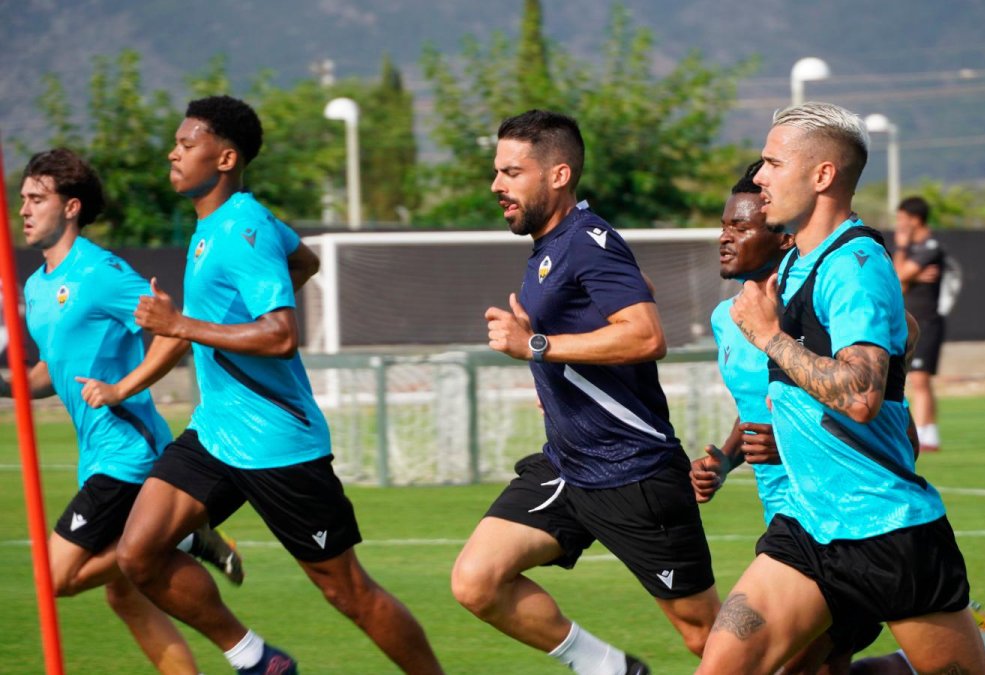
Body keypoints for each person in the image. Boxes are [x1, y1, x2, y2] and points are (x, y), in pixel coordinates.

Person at [103, 96, 442, 674]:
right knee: (138, 554)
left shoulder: (242, 229)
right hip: (215, 433)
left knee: (347, 593)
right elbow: (303, 259)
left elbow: (282, 335)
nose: (173, 151)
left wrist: (181, 324)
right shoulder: (222, 224)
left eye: (187, 145)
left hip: (277, 444)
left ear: (225, 158)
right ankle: (256, 660)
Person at [691, 161, 985, 674]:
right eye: (724, 225)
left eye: (739, 226)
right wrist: (726, 461)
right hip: (797, 522)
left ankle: (957, 643)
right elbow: (760, 404)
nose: (724, 237)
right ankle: (947, 647)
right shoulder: (735, 316)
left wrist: (797, 396)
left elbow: (877, 395)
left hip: (876, 523)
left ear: (782, 239)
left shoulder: (842, 270)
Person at [451, 109, 720, 675]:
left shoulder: (588, 242)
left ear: (558, 175)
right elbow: (626, 295)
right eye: (496, 171)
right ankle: (612, 669)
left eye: (512, 172)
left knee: (711, 641)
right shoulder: (555, 246)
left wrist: (537, 348)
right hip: (569, 468)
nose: (496, 185)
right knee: (478, 581)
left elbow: (647, 335)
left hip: (634, 475)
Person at [1, 148, 243, 674]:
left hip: (130, 451)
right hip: (96, 455)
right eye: (21, 199)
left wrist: (122, 386)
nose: (23, 210)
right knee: (126, 597)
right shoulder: (37, 286)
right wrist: (6, 384)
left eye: (37, 199)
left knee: (54, 578)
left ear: (71, 207)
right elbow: (49, 372)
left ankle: (175, 534)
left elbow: (175, 333)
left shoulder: (102, 272)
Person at [891, 196, 946, 452]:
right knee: (916, 379)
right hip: (909, 320)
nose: (899, 224)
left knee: (921, 379)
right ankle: (929, 433)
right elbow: (895, 281)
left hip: (926, 320)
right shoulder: (913, 250)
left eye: (902, 218)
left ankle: (925, 435)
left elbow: (899, 275)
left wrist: (902, 251)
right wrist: (909, 276)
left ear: (914, 219)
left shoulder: (930, 246)